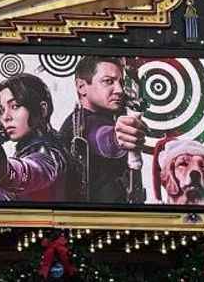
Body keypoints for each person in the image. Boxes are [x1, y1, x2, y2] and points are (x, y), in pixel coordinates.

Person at [0, 73, 67, 202]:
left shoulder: (47, 151)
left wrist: (1, 168)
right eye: (1, 110)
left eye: (15, 106)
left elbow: (34, 170)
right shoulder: (29, 149)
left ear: (42, 110)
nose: (5, 117)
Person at [59, 56, 147, 203]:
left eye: (121, 82)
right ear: (82, 87)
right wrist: (117, 137)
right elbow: (100, 137)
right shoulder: (79, 125)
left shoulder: (105, 116)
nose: (119, 90)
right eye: (108, 81)